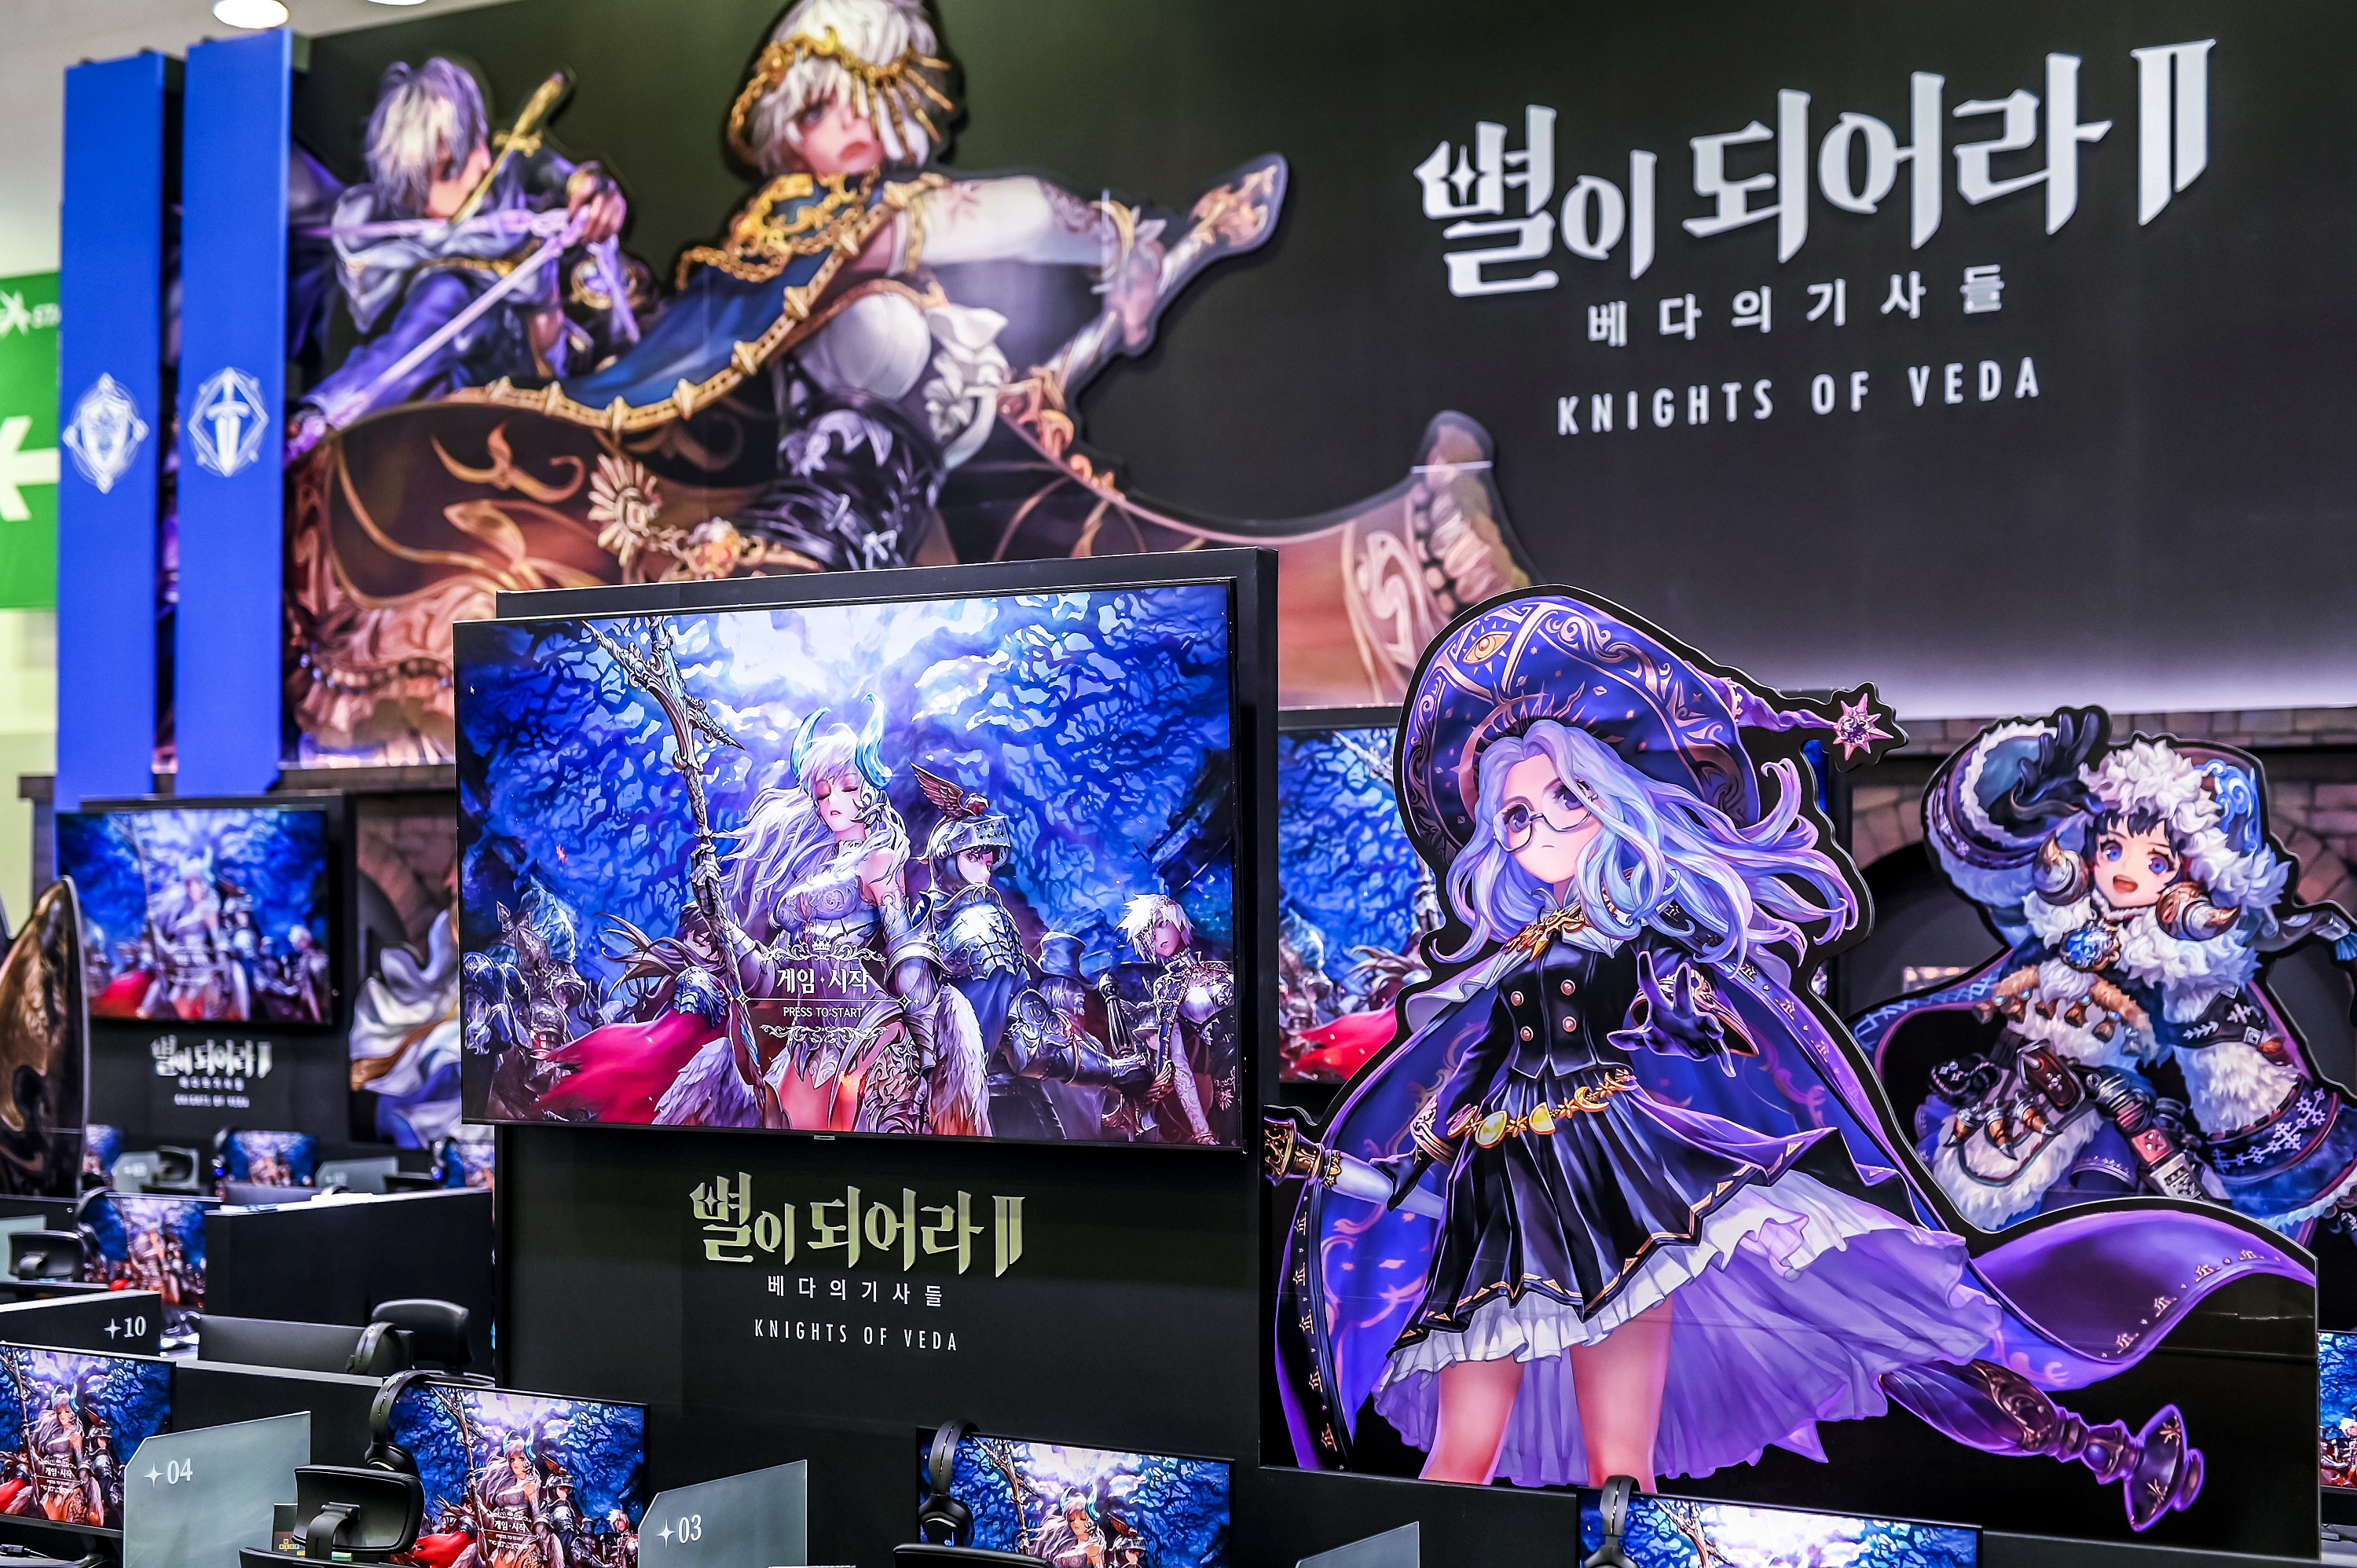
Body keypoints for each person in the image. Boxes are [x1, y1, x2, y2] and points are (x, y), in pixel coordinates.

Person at [1266, 590, 2288, 1528]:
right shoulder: (1507, 972)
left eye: (1564, 801)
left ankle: (2069, 1433)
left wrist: (1705, 1039)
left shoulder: (1645, 947)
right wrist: (1376, 1159)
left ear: (1614, 805)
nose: (1537, 833)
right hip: (1503, 1211)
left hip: (1628, 1193)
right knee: (1461, 1458)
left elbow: (1736, 1048)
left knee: (1625, 1469)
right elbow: (1449, 1095)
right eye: (1517, 817)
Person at [468, 0, 1274, 577]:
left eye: (867, 100)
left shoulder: (875, 230)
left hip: (877, 566)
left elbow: (1024, 215)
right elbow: (664, 362)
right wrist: (595, 264)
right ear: (788, 122)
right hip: (786, 557)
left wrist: (1128, 248)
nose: (850, 125)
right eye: (822, 106)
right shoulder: (781, 240)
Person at [1855, 711, 2357, 1232]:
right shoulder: (2059, 918)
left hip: (2107, 1125)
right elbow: (2000, 905)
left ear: (2188, 877)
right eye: (2112, 849)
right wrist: (2022, 809)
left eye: (2156, 863)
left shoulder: (2178, 963)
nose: (2124, 874)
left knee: (2084, 1222)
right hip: (2005, 1095)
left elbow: (2227, 1079)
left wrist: (2138, 1103)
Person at [288, 57, 629, 456]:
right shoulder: (438, 279)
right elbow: (400, 353)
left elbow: (572, 179)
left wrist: (597, 195)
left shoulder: (510, 168)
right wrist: (322, 414)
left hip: (575, 365)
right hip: (505, 426)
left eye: (475, 143)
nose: (479, 169)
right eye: (449, 169)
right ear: (411, 196)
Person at [916, 768, 1145, 1139]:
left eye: (990, 856)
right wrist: (1114, 1072)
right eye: (975, 854)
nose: (987, 863)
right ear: (948, 858)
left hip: (938, 1106)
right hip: (998, 1103)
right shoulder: (981, 921)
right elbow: (1030, 1042)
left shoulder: (924, 921)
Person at [1102, 896, 1236, 1145]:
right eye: (1148, 933)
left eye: (1162, 923)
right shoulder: (1166, 987)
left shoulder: (1219, 967)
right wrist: (1202, 1132)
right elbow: (1178, 1064)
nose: (1156, 935)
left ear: (1178, 920)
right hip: (1226, 1076)